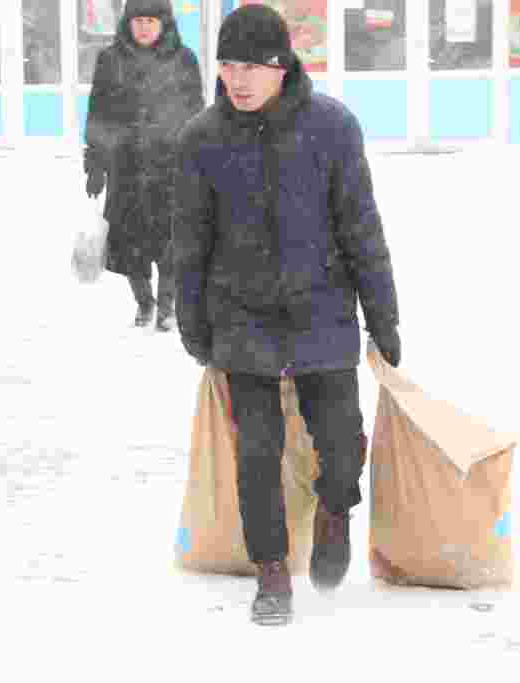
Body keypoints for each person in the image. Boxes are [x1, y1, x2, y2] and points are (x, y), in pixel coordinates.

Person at [173, 4, 401, 626]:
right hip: (240, 316)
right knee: (257, 455)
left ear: (281, 67)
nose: (236, 79)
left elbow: (361, 227)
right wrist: (193, 324)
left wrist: (384, 316)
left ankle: (334, 511)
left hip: (322, 310)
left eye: (250, 66)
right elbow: (189, 242)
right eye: (227, 65)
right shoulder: (202, 138)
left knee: (339, 444)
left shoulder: (331, 127)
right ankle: (271, 573)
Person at [84, 0, 204, 332]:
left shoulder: (184, 60)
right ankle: (144, 303)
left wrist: (199, 162)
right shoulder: (110, 60)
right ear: (127, 23)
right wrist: (95, 161)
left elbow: (198, 114)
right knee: (127, 244)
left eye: (151, 20)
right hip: (125, 168)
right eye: (138, 20)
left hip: (171, 169)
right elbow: (98, 114)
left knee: (171, 244)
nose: (144, 27)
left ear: (164, 23)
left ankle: (167, 307)